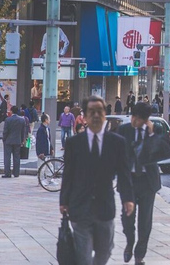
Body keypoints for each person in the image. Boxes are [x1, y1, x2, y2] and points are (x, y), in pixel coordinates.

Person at [60, 96, 135, 265]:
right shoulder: (74, 143)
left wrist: (128, 198)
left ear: (104, 115)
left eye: (99, 111)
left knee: (105, 251)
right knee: (84, 255)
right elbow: (68, 174)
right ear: (84, 116)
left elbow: (124, 173)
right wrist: (64, 200)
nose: (95, 115)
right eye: (91, 112)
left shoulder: (117, 142)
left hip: (105, 207)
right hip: (80, 206)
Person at [117, 102, 170, 265]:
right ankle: (129, 242)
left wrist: (151, 135)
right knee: (127, 218)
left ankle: (139, 255)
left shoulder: (154, 130)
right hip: (129, 182)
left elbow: (167, 152)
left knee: (145, 222)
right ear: (132, 116)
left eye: (141, 120)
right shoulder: (124, 130)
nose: (137, 123)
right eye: (135, 119)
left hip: (148, 183)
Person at [2, 105, 27, 178]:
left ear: (11, 111)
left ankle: (7, 173)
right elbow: (23, 131)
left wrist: (4, 139)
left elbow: (5, 131)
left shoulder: (8, 120)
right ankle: (16, 173)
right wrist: (22, 140)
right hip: (17, 140)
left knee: (7, 157)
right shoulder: (22, 120)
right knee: (16, 157)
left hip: (8, 141)